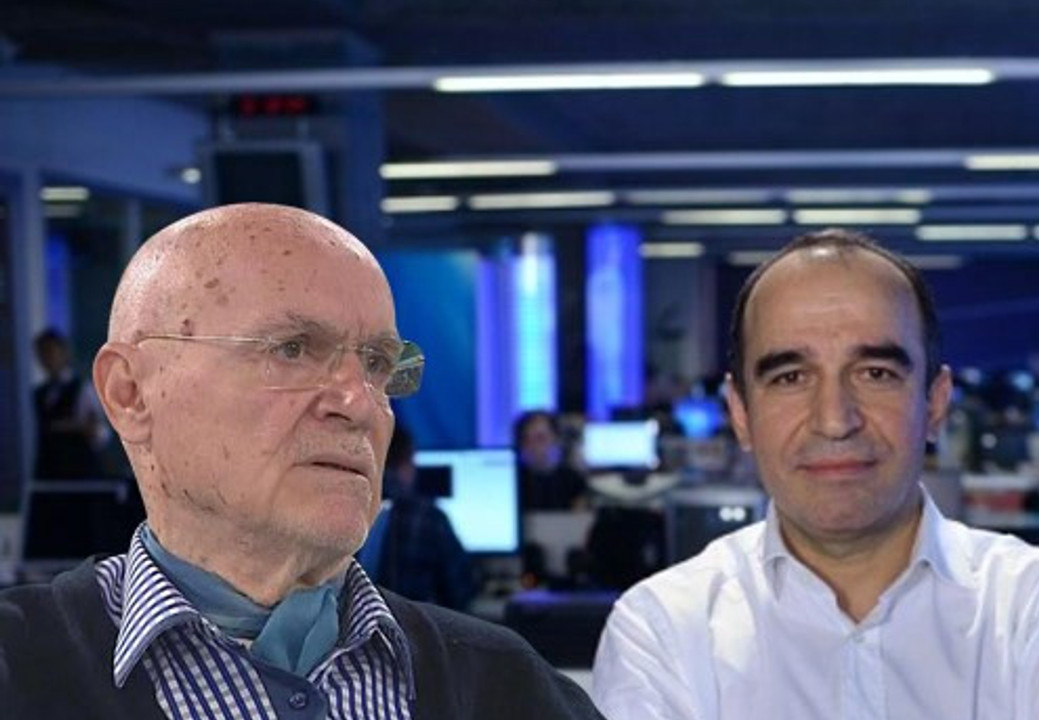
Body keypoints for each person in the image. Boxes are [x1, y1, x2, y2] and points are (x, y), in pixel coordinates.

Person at [0, 203, 603, 720]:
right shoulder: (22, 671)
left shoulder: (508, 687)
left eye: (377, 363)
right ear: (130, 393)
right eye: (291, 350)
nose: (360, 403)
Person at [591, 228, 1039, 719]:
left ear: (935, 403)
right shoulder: (662, 626)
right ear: (740, 414)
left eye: (875, 373)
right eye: (790, 377)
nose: (835, 420)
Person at [375, 424, 476, 611]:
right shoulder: (428, 518)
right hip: (415, 626)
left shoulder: (347, 510)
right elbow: (460, 592)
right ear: (406, 464)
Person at [32, 326, 109, 479]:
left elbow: (100, 433)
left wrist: (75, 427)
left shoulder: (82, 389)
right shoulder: (38, 393)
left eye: (50, 352)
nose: (46, 358)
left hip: (79, 473)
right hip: (49, 472)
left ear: (64, 353)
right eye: (42, 353)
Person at [516, 410, 589, 511]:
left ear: (555, 438)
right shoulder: (514, 480)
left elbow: (579, 517)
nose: (533, 446)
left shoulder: (572, 479)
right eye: (527, 440)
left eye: (540, 439)